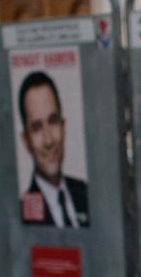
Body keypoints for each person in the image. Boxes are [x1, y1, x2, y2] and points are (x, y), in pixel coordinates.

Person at [18, 71, 89, 228]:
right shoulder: (21, 214)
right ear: (26, 140)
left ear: (63, 126)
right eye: (37, 127)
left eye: (53, 121)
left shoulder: (86, 193)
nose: (48, 140)